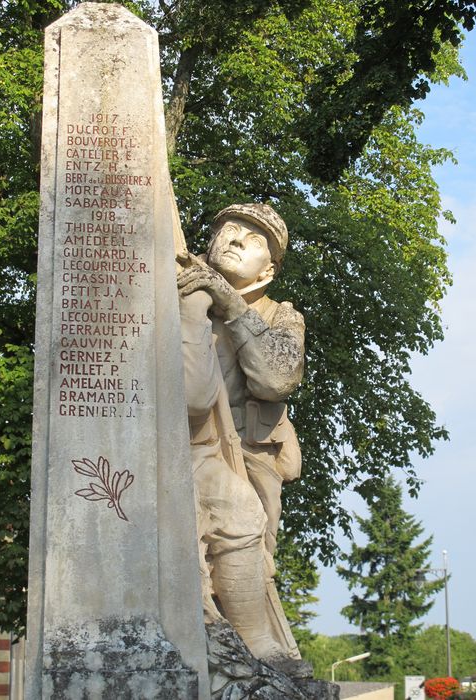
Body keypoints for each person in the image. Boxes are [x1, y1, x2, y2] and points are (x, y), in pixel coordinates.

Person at [177, 203, 305, 664]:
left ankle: (253, 644)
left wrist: (229, 305)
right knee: (227, 512)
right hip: (185, 445)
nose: (233, 240)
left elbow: (277, 379)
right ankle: (235, 641)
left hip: (251, 453)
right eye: (227, 231)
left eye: (252, 241)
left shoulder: (280, 315)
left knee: (254, 550)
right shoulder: (169, 293)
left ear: (268, 268)